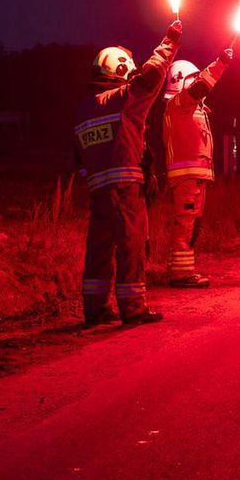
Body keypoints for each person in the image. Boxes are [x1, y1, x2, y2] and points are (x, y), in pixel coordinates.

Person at [74, 21, 181, 326]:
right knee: (131, 244)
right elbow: (150, 78)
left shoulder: (84, 108)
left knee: (99, 248)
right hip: (125, 188)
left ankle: (94, 309)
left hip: (98, 191)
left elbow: (77, 154)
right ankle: (133, 307)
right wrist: (170, 42)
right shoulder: (123, 100)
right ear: (121, 71)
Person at [161, 48, 233, 288]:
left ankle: (183, 270)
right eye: (192, 78)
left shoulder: (193, 109)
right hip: (186, 178)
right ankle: (180, 275)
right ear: (182, 81)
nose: (197, 83)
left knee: (192, 223)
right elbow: (201, 87)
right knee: (185, 222)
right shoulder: (177, 104)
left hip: (196, 177)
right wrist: (221, 62)